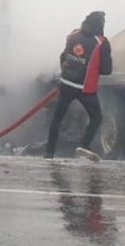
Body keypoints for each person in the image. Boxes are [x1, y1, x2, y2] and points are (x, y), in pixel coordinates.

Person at [46, 11, 113, 161]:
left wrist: (67, 71)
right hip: (85, 89)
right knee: (96, 118)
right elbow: (107, 70)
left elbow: (63, 56)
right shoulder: (101, 42)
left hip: (66, 84)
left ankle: (49, 153)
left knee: (57, 118)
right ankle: (84, 145)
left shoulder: (73, 35)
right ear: (100, 25)